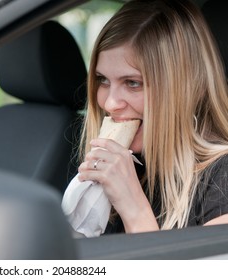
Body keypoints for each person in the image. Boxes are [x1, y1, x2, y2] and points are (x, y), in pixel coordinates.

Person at [74, 0, 228, 234]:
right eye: (103, 80)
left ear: (186, 88)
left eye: (133, 83)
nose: (110, 103)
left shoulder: (221, 180)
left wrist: (133, 207)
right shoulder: (127, 164)